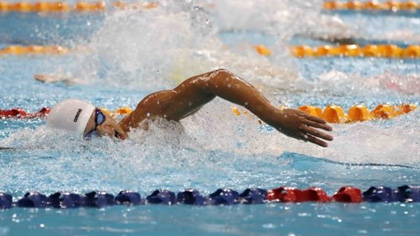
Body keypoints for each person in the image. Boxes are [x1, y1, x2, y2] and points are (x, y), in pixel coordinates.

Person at [46, 69, 333, 147]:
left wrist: (275, 116)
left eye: (99, 117)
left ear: (103, 110)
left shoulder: (148, 116)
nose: (107, 129)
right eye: (93, 134)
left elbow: (216, 79)